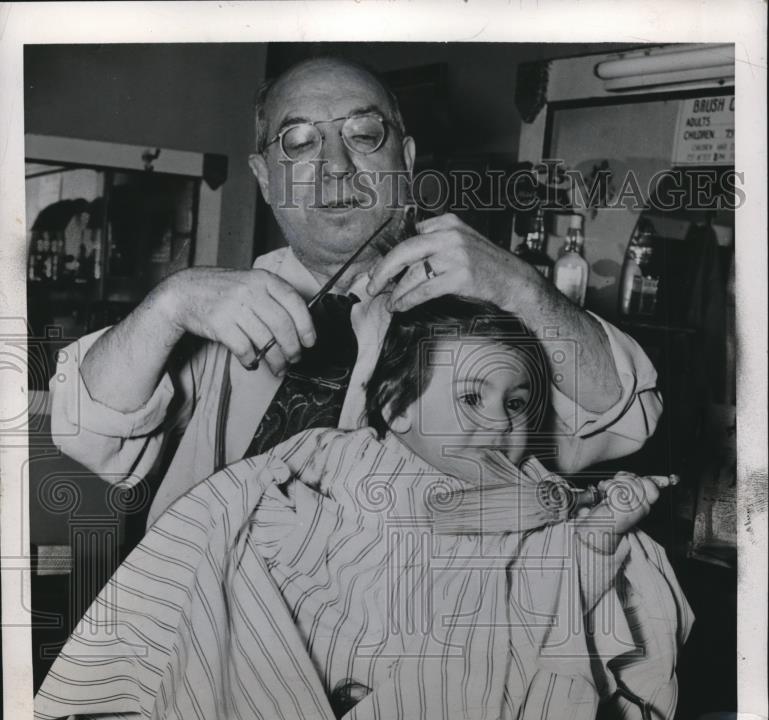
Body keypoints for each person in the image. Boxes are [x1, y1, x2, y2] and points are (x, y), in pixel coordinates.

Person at [35, 297, 692, 720]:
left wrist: (599, 534)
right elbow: (271, 548)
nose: (499, 419)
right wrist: (308, 536)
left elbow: (560, 609)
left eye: (518, 403)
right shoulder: (347, 464)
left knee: (521, 678)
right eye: (472, 397)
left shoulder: (531, 500)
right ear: (400, 410)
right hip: (318, 702)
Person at [49, 55, 662, 527]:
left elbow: (624, 419)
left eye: (364, 134)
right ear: (264, 178)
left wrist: (524, 290)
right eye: (300, 143)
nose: (336, 166)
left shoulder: (488, 303)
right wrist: (169, 304)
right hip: (214, 655)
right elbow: (85, 431)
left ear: (409, 158)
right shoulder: (217, 315)